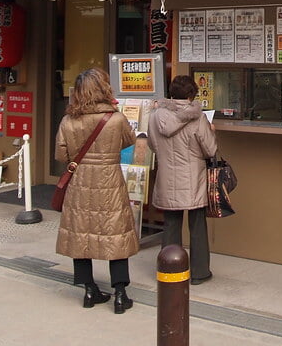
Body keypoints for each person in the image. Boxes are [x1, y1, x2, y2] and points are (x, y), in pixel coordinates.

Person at [55, 68, 140, 313]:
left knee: (80, 234)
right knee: (116, 235)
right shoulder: (116, 119)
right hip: (110, 179)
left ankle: (89, 290)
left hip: (80, 181)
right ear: (103, 88)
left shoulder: (68, 121)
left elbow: (61, 154)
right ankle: (121, 294)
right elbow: (129, 140)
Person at [148, 74, 218, 285]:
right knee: (197, 224)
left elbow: (152, 145)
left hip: (166, 176)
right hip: (193, 178)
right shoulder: (198, 118)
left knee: (171, 223)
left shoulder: (155, 116)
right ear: (191, 94)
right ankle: (199, 272)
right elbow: (210, 149)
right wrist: (213, 133)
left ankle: (169, 271)